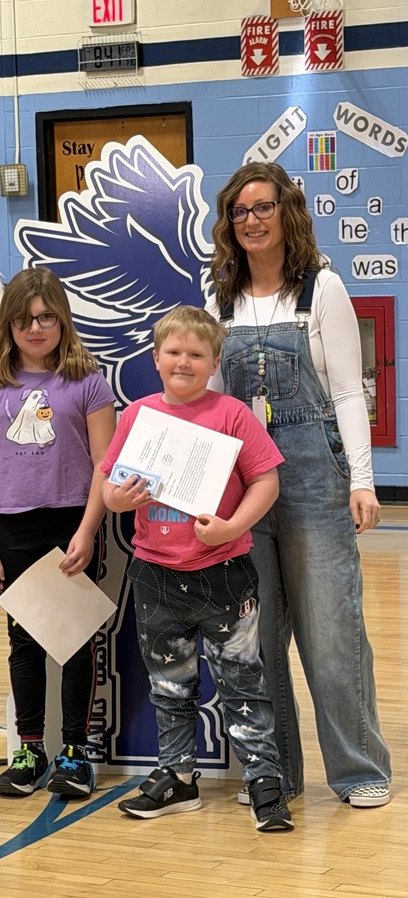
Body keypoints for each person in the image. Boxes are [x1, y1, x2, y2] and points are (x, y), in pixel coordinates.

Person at [208, 161, 391, 808]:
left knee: (331, 627)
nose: (251, 220)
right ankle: (272, 770)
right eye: (239, 211)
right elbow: (207, 398)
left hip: (315, 476)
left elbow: (346, 392)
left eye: (263, 208)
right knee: (252, 636)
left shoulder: (323, 289)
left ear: (288, 214)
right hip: (239, 481)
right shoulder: (219, 298)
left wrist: (362, 483)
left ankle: (358, 767)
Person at [102, 305, 294, 832]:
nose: (183, 361)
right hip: (155, 575)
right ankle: (177, 778)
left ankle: (264, 781)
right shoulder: (137, 415)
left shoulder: (233, 414)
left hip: (224, 573)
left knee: (243, 682)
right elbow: (108, 489)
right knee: (169, 684)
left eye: (196, 354)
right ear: (156, 357)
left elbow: (266, 483)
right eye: (174, 352)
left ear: (213, 363)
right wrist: (117, 498)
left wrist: (232, 528)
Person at [0, 267, 116, 798]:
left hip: (71, 524)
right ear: (8, 324)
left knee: (74, 642)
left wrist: (89, 530)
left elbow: (105, 464)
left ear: (62, 321)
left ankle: (74, 752)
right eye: (24, 320)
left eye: (46, 317)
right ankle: (30, 749)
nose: (35, 328)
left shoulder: (88, 383)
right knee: (24, 642)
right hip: (12, 526)